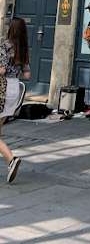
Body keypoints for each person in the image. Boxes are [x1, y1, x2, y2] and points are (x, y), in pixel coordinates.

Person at [0, 18, 31, 184]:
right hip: (14, 89)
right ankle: (10, 160)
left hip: (2, 88)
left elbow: (2, 70)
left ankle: (11, 159)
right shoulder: (24, 48)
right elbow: (27, 75)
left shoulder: (5, 45)